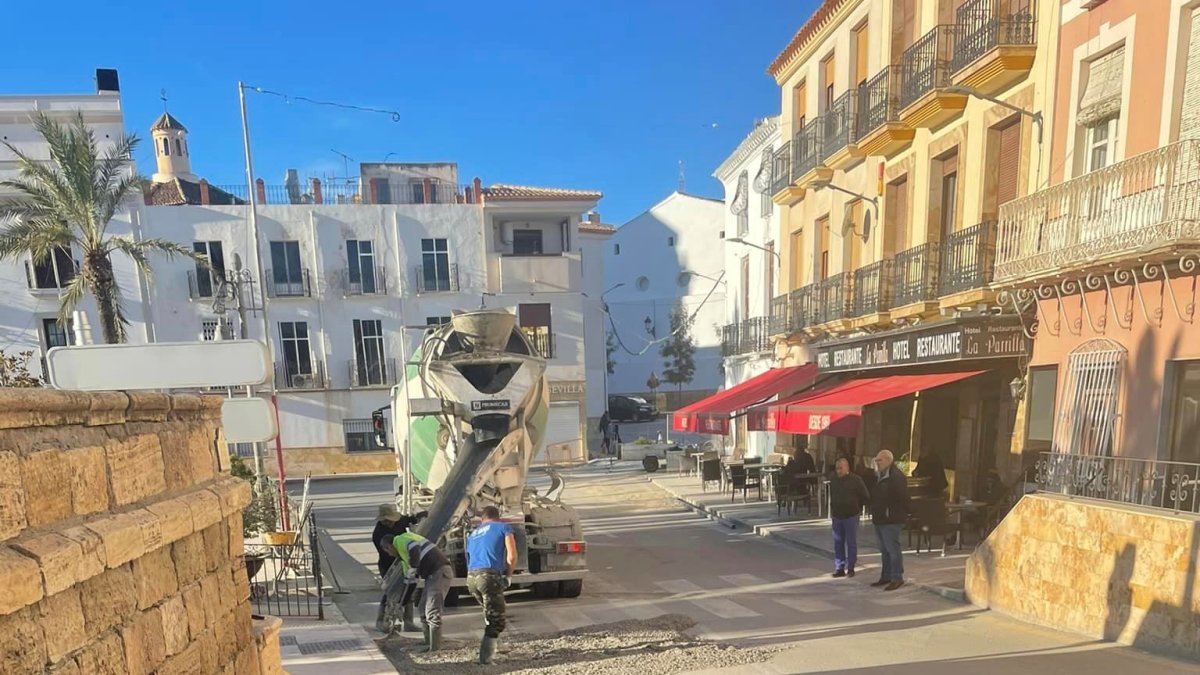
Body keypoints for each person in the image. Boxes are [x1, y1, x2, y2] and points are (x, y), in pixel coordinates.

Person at [465, 505, 517, 665]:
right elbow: (512, 556)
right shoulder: (503, 527)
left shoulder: (473, 533)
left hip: (471, 578)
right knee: (496, 620)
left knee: (490, 611)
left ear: (482, 519)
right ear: (498, 517)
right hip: (488, 576)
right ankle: (485, 659)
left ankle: (498, 646)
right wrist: (508, 575)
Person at [389, 531, 454, 652]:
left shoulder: (399, 540)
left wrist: (414, 566)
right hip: (431, 575)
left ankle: (435, 648)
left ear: (389, 546)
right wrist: (401, 604)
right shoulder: (404, 558)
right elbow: (410, 584)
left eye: (388, 551)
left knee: (432, 610)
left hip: (439, 570)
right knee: (422, 607)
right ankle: (428, 642)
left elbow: (414, 547)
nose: (390, 554)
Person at [372, 504, 425, 632]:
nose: (390, 523)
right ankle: (381, 620)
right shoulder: (378, 534)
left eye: (391, 520)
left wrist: (420, 516)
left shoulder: (400, 521)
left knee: (409, 589)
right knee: (390, 591)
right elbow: (387, 553)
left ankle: (408, 622)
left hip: (404, 560)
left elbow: (411, 519)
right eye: (387, 521)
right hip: (388, 564)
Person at [870, 449, 911, 591]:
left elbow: (903, 497)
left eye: (879, 460)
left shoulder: (896, 477)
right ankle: (886, 576)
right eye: (876, 460)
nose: (877, 463)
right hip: (880, 518)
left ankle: (897, 577)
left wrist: (899, 513)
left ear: (888, 460)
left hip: (891, 519)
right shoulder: (879, 475)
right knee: (884, 549)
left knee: (892, 549)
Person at [829, 457, 870, 578]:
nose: (838, 471)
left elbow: (865, 495)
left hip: (851, 515)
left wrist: (857, 506)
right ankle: (839, 567)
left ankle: (851, 567)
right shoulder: (834, 479)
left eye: (840, 468)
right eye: (837, 468)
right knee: (838, 542)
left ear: (847, 468)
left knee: (851, 542)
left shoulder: (856, 480)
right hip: (837, 515)